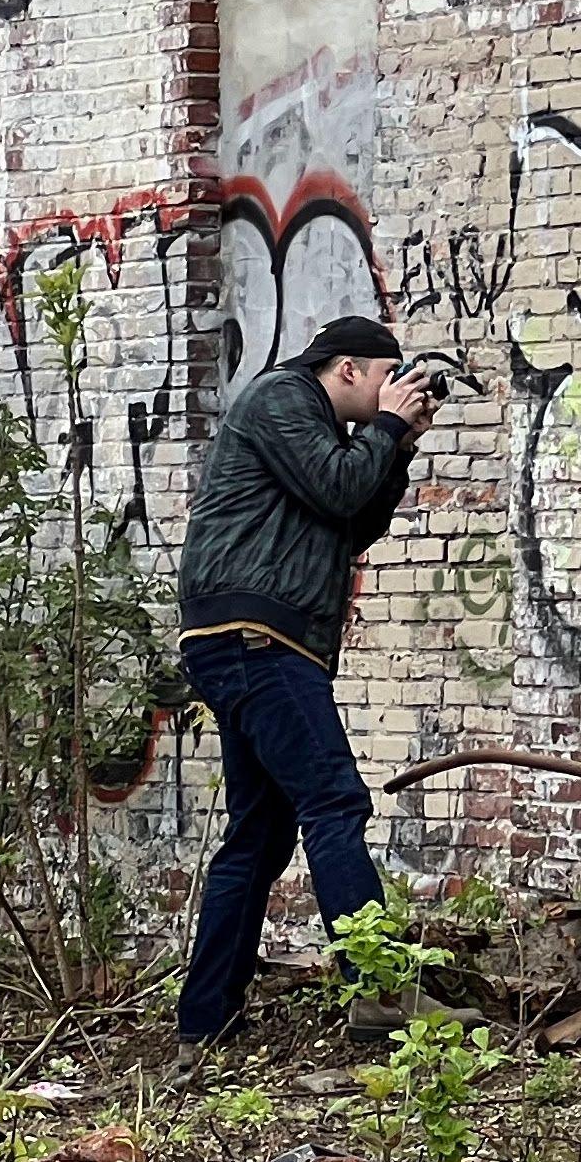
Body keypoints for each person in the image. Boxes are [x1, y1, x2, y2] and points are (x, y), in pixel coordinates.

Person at [169, 312, 442, 1049]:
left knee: (259, 834)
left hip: (252, 640)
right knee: (333, 799)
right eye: (389, 378)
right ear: (348, 369)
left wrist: (398, 445)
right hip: (256, 638)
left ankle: (207, 1019)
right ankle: (380, 994)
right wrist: (384, 432)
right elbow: (338, 485)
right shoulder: (283, 397)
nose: (398, 391)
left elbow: (352, 522)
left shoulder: (321, 431)